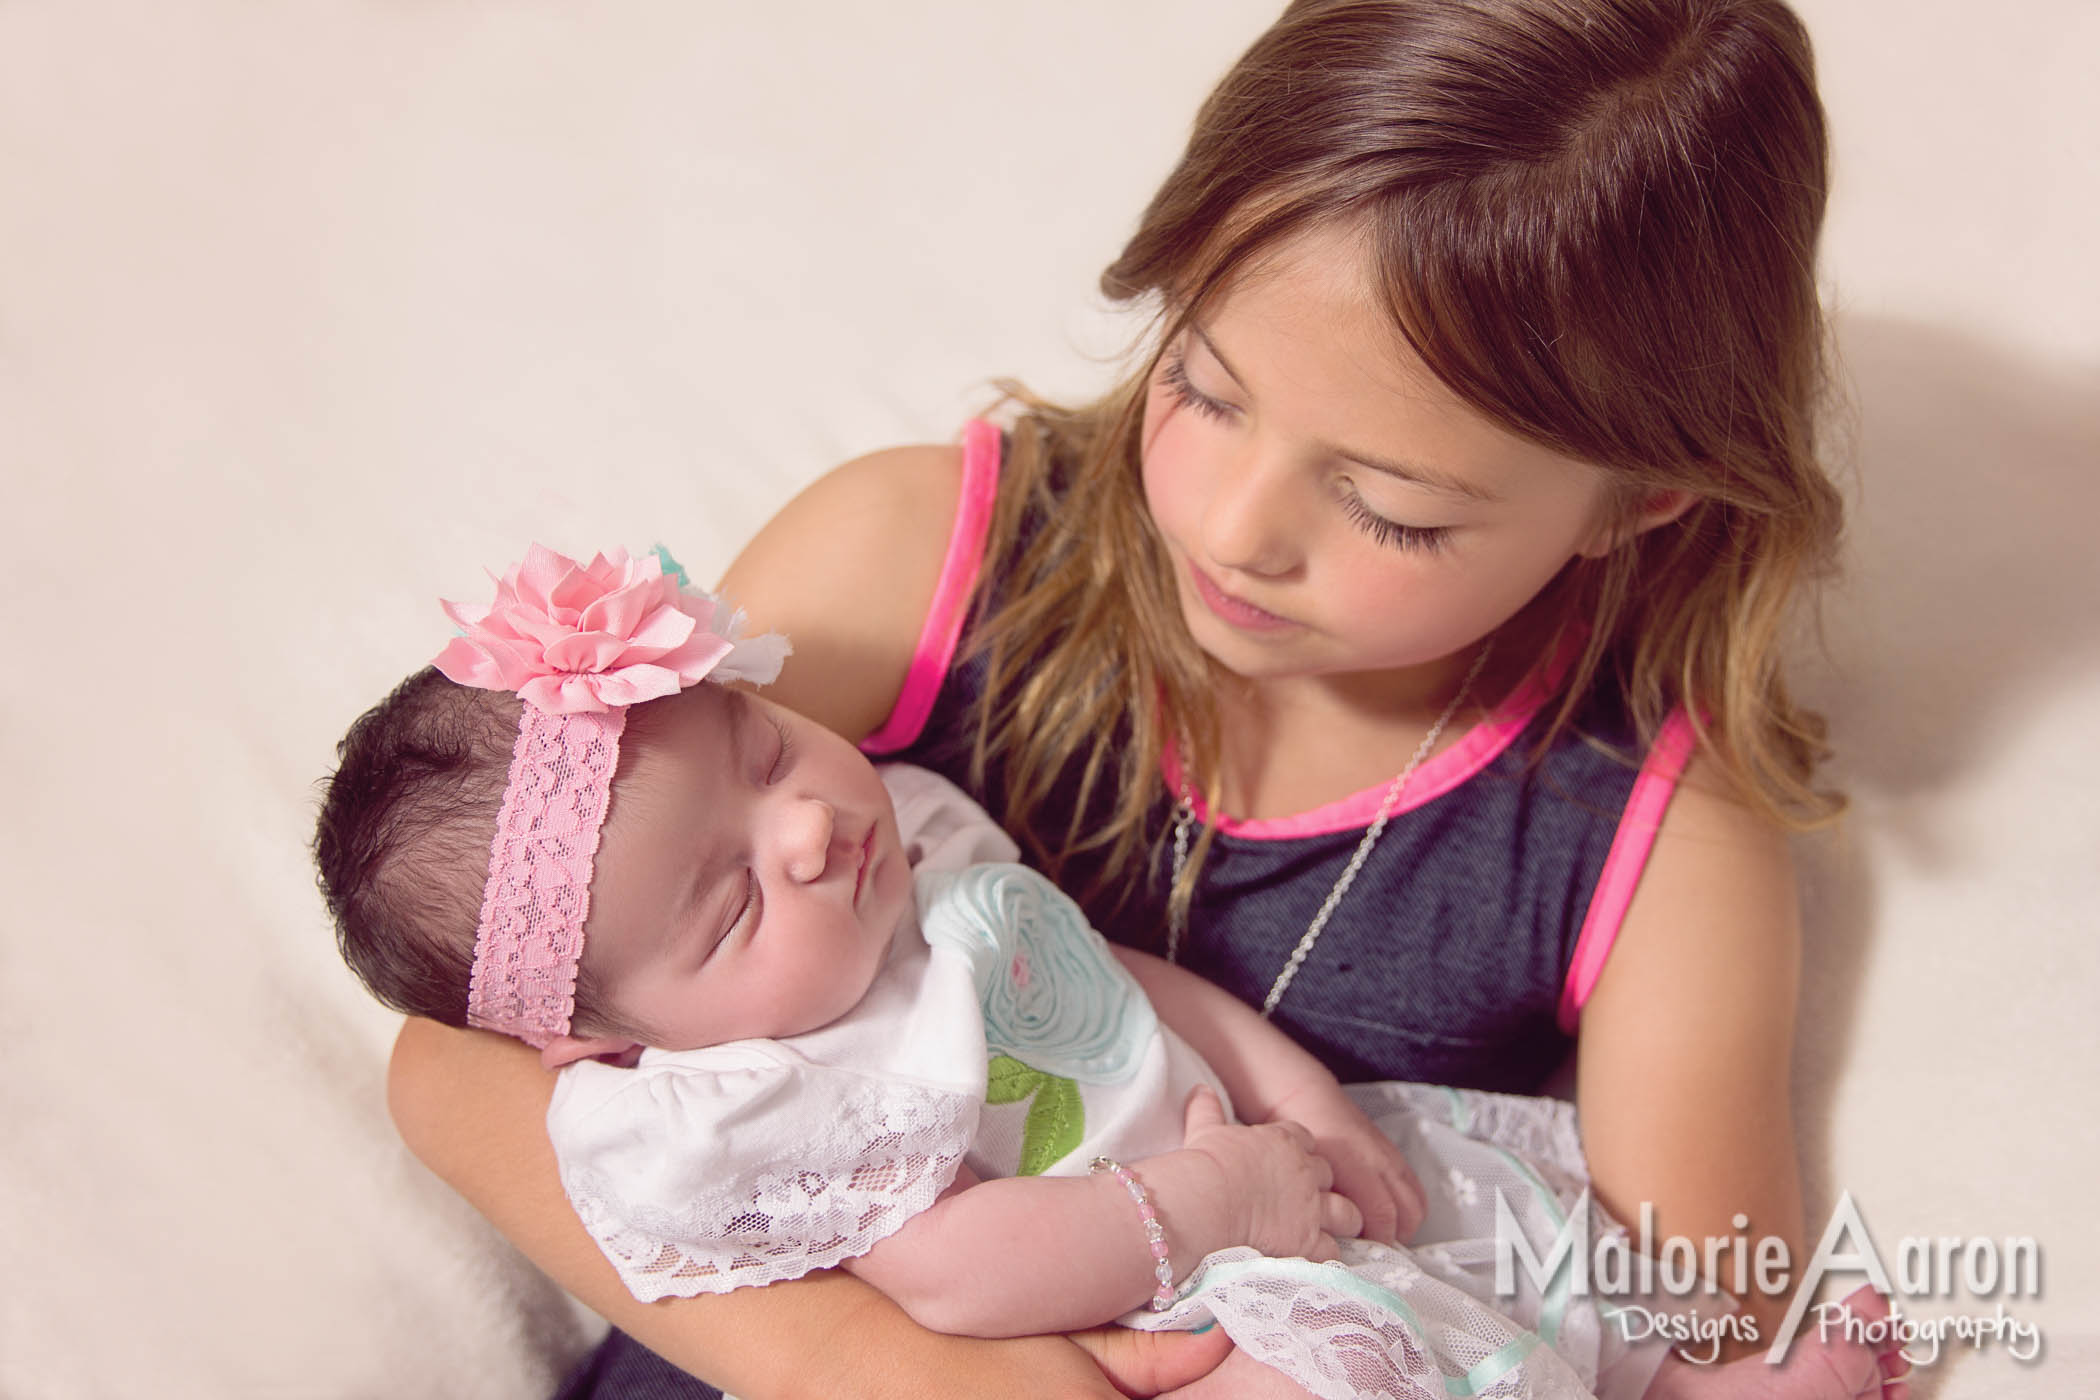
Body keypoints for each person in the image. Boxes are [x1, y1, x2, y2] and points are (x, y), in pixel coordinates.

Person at [383, 2, 1912, 1397]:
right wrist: (909, 1373)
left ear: (1634, 503)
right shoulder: (918, 556)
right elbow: (465, 1056)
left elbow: (1700, 1316)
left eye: (1391, 506)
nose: (1237, 527)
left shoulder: (1646, 839)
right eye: (1204, 385)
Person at [318, 546, 1901, 1400]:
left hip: (1262, 1194)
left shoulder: (905, 848)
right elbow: (942, 1276)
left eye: (762, 745)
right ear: (609, 1041)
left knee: (1521, 1253)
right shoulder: (761, 1098)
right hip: (1143, 1296)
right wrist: (1219, 1207)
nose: (805, 825)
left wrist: (1291, 1091)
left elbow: (1108, 976)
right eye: (728, 904)